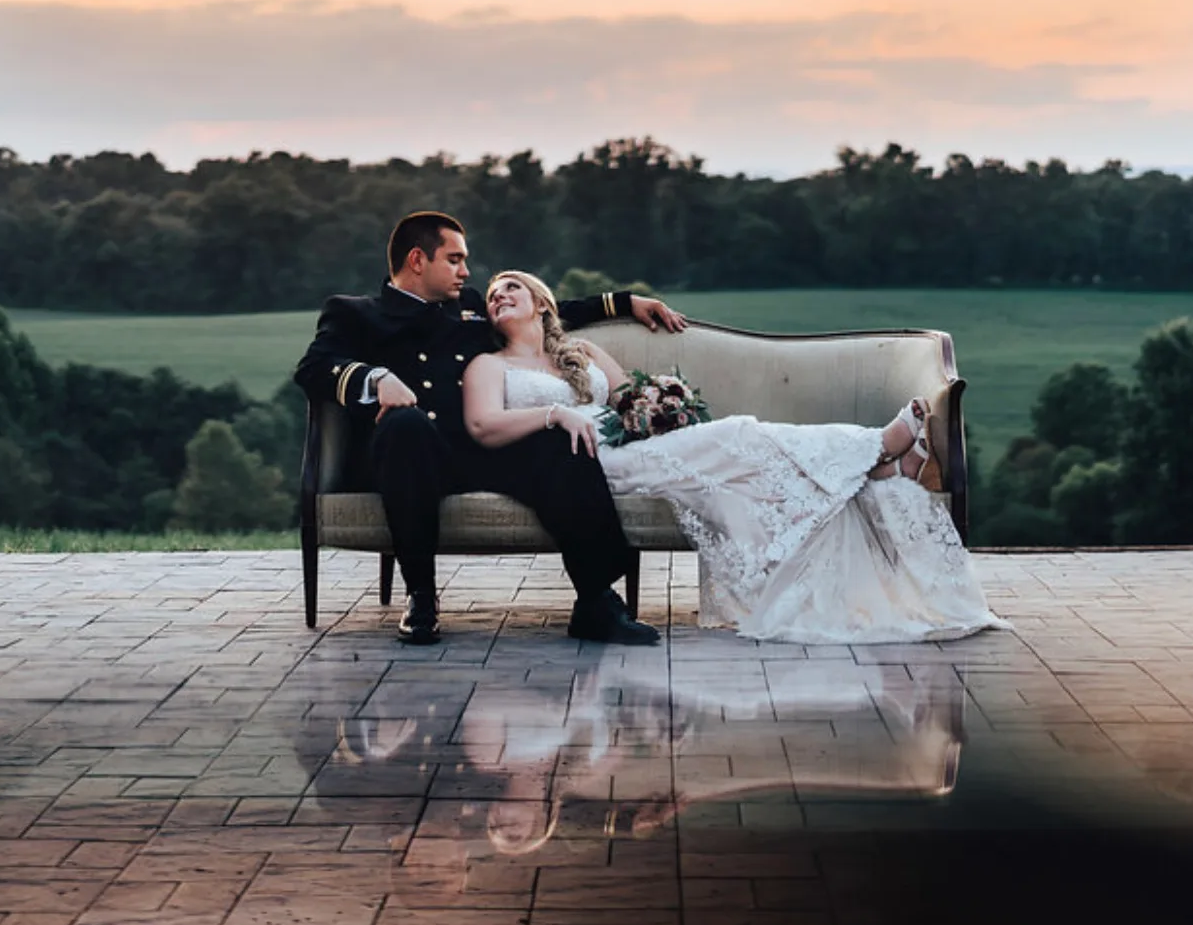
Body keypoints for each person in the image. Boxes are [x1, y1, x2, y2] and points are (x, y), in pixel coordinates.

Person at [462, 270, 1004, 645]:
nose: (498, 295)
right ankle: (876, 450)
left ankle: (875, 466)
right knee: (739, 438)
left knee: (740, 460)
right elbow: (483, 426)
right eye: (492, 294)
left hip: (636, 451)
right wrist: (556, 416)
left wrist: (658, 407)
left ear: (541, 303)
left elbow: (632, 400)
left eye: (512, 287)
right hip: (580, 467)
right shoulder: (488, 365)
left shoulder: (582, 354)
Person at [294, 211, 686, 647]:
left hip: (478, 451)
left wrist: (623, 302)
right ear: (418, 260)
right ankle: (421, 597)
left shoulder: (469, 309)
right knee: (407, 425)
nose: (466, 271)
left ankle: (596, 602)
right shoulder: (356, 313)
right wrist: (375, 378)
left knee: (562, 439)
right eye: (455, 259)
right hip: (408, 459)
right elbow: (313, 367)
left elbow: (544, 313)